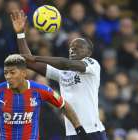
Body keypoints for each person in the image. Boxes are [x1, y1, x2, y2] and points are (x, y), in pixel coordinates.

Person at [11, 10, 107, 140]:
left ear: (88, 52)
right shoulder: (63, 73)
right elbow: (29, 62)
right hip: (72, 132)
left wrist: (35, 57)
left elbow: (64, 63)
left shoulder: (92, 65)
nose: (73, 49)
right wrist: (20, 34)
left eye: (78, 47)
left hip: (93, 130)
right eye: (71, 48)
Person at [0, 54, 87, 140]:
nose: (8, 76)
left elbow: (63, 105)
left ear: (23, 73)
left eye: (12, 72)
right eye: (6, 73)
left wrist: (79, 128)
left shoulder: (39, 90)